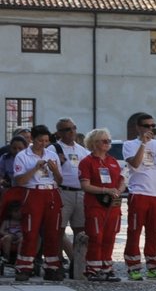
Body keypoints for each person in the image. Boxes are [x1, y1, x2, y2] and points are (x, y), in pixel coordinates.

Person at [121, 113, 156, 279]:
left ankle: (153, 266)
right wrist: (143, 143)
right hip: (139, 192)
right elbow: (135, 163)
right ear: (138, 127)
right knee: (135, 230)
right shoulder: (130, 144)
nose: (150, 129)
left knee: (154, 231)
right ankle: (133, 266)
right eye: (146, 126)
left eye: (153, 126)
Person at [12, 125, 65, 281]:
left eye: (46, 141)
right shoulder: (23, 155)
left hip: (51, 192)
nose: (43, 144)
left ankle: (52, 267)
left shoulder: (52, 155)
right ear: (33, 140)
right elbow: (20, 180)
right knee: (30, 231)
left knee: (52, 231)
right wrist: (35, 168)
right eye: (40, 140)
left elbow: (60, 180)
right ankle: (24, 267)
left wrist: (55, 170)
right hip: (33, 192)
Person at [78, 128, 124, 281]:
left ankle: (107, 268)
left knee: (110, 237)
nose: (107, 143)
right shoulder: (87, 162)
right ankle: (93, 269)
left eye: (108, 140)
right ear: (94, 143)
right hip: (95, 204)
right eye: (104, 141)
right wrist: (105, 190)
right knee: (96, 236)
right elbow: (85, 185)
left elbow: (122, 179)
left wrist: (119, 190)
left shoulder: (112, 161)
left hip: (113, 205)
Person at [51, 118, 90, 279]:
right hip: (63, 192)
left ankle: (77, 263)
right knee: (58, 230)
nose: (71, 132)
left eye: (73, 128)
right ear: (59, 133)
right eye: (67, 129)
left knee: (80, 230)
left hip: (80, 193)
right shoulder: (54, 149)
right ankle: (56, 262)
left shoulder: (82, 150)